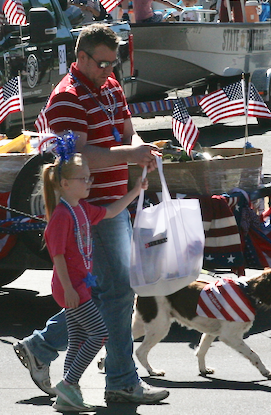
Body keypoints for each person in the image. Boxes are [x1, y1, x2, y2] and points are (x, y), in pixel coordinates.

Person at [14, 24, 169, 405]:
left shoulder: (111, 85)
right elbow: (79, 157)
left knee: (102, 292)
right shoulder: (66, 97)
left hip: (115, 201)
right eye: (101, 63)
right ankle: (119, 379)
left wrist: (140, 148)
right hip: (88, 208)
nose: (108, 70)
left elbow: (127, 132)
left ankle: (43, 346)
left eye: (113, 63)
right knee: (115, 291)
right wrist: (130, 155)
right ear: (79, 57)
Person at [43, 150, 148, 411]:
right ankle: (69, 383)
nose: (89, 183)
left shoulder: (82, 209)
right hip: (70, 286)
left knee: (78, 338)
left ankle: (67, 398)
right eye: (83, 179)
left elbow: (111, 211)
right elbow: (57, 257)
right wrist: (68, 288)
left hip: (80, 285)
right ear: (65, 184)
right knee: (100, 333)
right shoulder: (61, 215)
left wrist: (136, 190)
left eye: (89, 178)